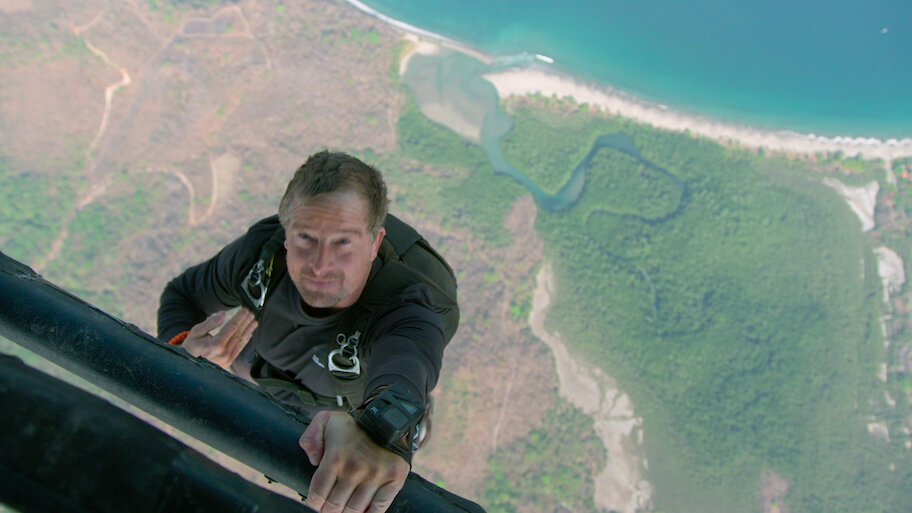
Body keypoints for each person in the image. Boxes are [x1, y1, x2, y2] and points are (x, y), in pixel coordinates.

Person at [157, 150, 451, 513]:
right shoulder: (258, 260)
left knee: (407, 412)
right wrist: (185, 347)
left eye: (343, 242)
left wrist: (380, 431)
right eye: (306, 237)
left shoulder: (402, 304)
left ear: (375, 244)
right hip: (263, 372)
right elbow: (183, 295)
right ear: (285, 234)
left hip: (343, 411)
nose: (320, 264)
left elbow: (410, 353)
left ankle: (415, 424)